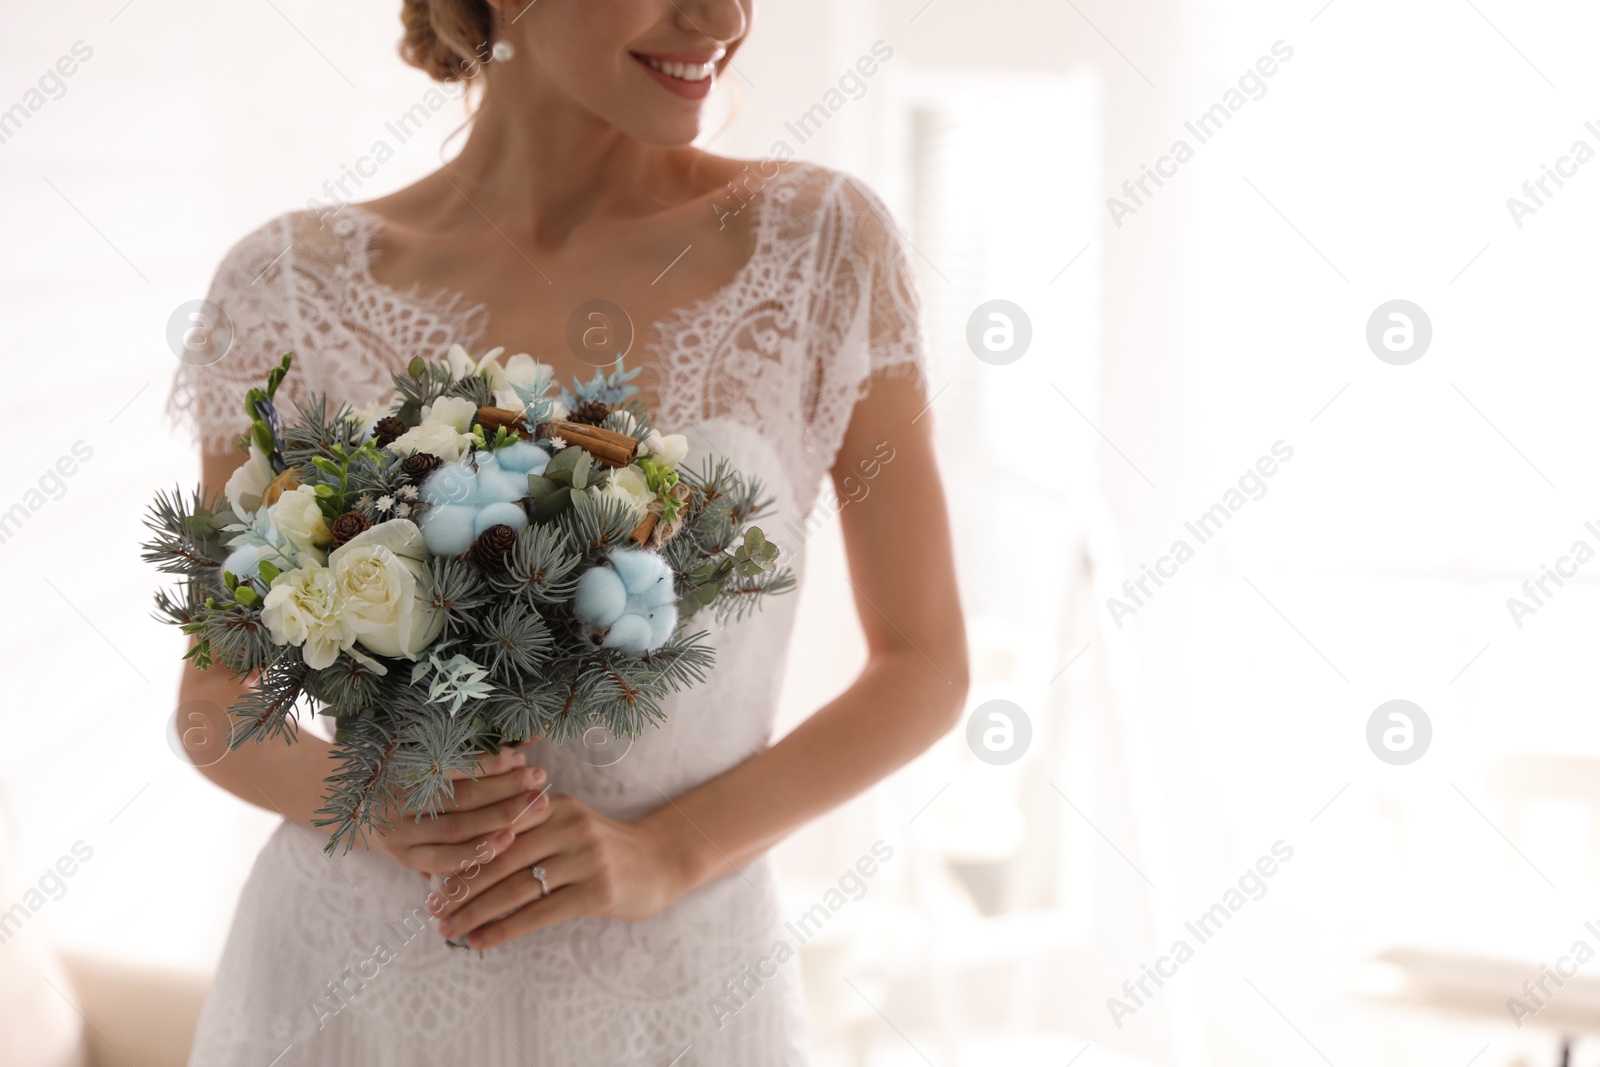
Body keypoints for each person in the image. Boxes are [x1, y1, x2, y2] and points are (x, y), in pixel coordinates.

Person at [165, 1, 968, 1063]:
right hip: (351, 991)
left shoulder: (821, 246)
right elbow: (216, 701)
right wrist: (380, 804)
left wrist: (670, 851)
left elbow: (923, 664)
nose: (721, 17)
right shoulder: (288, 289)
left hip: (675, 983)